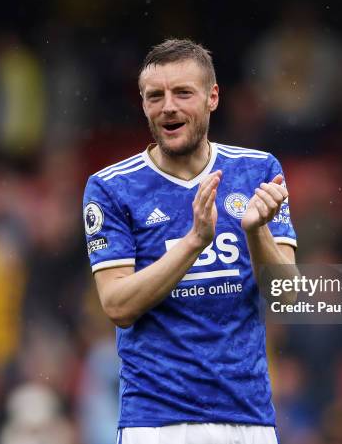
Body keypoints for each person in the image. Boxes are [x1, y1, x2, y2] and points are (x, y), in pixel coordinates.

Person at [82, 38, 297, 444]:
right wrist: (194, 242)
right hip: (156, 421)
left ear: (212, 97)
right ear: (143, 105)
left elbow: (288, 298)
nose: (168, 107)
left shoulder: (258, 170)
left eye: (183, 92)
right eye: (155, 96)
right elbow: (117, 305)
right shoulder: (111, 188)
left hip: (248, 417)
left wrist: (255, 230)